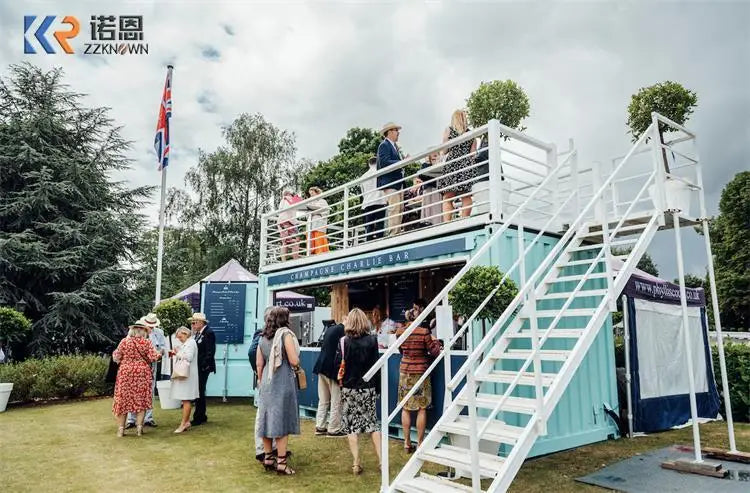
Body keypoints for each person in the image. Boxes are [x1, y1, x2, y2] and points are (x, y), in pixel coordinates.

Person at [335, 308, 382, 475]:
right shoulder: (372, 340)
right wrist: (378, 388)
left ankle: (356, 463)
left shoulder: (343, 341)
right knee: (373, 424)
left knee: (351, 425)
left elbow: (337, 365)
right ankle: (382, 462)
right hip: (368, 387)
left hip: (349, 387)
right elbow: (376, 366)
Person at [256, 306, 300, 475]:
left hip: (266, 381)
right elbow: (294, 360)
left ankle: (268, 458)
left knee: (266, 419)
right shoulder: (285, 334)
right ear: (284, 319)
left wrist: (261, 382)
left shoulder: (262, 337)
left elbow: (260, 364)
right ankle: (281, 462)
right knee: (281, 420)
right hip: (282, 380)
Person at [395, 309, 439, 453]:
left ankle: (407, 443)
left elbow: (401, 350)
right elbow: (434, 352)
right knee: (421, 407)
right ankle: (420, 443)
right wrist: (435, 341)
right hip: (420, 372)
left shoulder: (400, 331)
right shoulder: (424, 332)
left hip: (405, 371)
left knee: (405, 407)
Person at [112, 319, 162, 437]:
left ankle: (121, 430)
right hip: (142, 373)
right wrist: (161, 353)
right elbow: (154, 357)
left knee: (123, 400)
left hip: (125, 373)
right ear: (144, 331)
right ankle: (139, 429)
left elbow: (116, 356)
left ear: (132, 330)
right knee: (141, 400)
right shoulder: (147, 342)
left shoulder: (124, 341)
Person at [126, 312, 165, 429]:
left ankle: (148, 418)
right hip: (137, 366)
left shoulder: (159, 333)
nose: (151, 327)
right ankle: (131, 419)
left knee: (149, 391)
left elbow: (162, 347)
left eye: (153, 325)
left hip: (152, 364)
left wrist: (159, 353)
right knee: (132, 391)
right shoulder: (136, 332)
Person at [439, 109, 477, 222]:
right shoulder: (471, 134)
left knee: (447, 197)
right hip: (466, 164)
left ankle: (447, 223)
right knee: (466, 196)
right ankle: (464, 221)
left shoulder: (449, 130)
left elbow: (444, 150)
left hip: (452, 164)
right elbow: (473, 154)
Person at [312, 319, 346, 437]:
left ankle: (320, 427)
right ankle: (334, 429)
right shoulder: (343, 332)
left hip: (321, 366)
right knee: (336, 400)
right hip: (332, 369)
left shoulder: (331, 328)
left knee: (323, 399)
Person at [168, 326, 199, 433]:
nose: (180, 339)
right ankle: (185, 421)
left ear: (185, 334)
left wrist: (177, 353)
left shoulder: (191, 343)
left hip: (188, 375)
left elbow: (189, 357)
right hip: (186, 374)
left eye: (180, 337)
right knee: (185, 399)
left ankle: (184, 423)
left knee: (186, 399)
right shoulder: (189, 343)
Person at [377, 122, 405, 236]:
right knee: (394, 208)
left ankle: (396, 232)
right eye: (396, 130)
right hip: (390, 182)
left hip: (398, 182)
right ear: (389, 132)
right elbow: (384, 162)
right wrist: (401, 162)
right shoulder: (384, 145)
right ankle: (393, 233)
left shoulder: (395, 147)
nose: (398, 133)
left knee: (400, 208)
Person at [190, 312, 215, 426]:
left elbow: (210, 351)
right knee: (199, 390)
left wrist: (205, 365)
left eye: (194, 322)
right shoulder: (198, 334)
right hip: (198, 366)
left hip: (203, 367)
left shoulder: (208, 333)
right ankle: (200, 415)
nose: (193, 325)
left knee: (200, 390)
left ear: (201, 322)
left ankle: (199, 416)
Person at [360, 157, 387, 242]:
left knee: (369, 225)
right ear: (377, 162)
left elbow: (363, 192)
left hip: (367, 201)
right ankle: (380, 240)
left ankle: (369, 241)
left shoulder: (363, 176)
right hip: (380, 200)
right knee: (380, 223)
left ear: (369, 164)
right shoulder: (380, 172)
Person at [419, 152, 442, 226]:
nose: (434, 157)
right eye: (432, 156)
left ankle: (438, 223)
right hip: (428, 190)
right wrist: (429, 163)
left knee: (437, 208)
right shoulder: (426, 165)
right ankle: (427, 223)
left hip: (437, 190)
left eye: (436, 155)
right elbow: (422, 176)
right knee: (428, 208)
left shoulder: (441, 163)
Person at [278, 190, 301, 261]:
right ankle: (295, 259)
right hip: (288, 222)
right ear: (289, 194)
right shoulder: (288, 199)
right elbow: (299, 202)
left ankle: (283, 260)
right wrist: (296, 196)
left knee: (285, 242)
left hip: (283, 223)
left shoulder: (282, 201)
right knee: (295, 241)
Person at [306, 187, 330, 255]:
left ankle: (320, 252)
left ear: (317, 193)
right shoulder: (309, 202)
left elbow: (326, 211)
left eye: (312, 193)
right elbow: (306, 214)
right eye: (310, 194)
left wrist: (316, 211)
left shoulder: (323, 201)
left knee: (319, 237)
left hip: (319, 222)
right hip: (310, 223)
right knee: (310, 239)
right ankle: (311, 253)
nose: (311, 195)